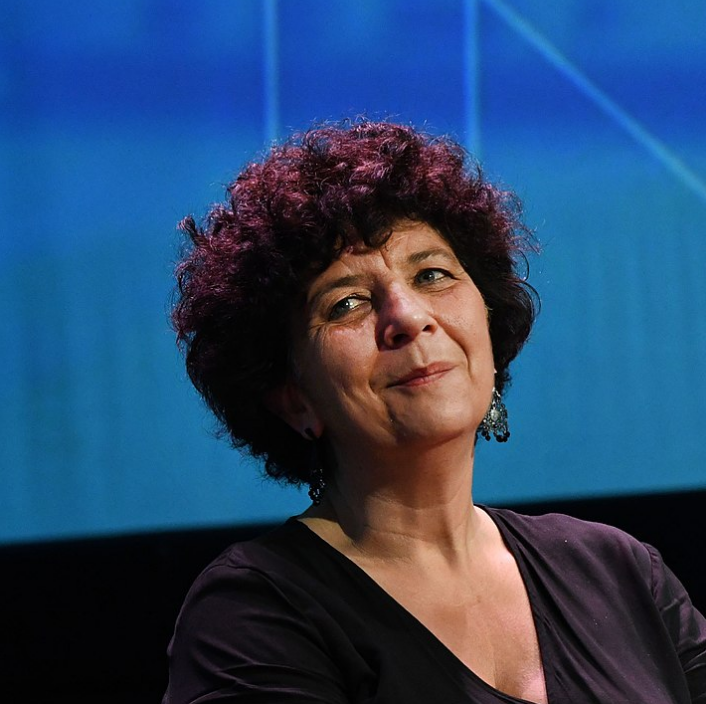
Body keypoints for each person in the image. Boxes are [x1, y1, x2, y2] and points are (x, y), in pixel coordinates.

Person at [163, 120, 706, 703]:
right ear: (293, 397)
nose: (407, 316)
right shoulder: (256, 612)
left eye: (432, 275)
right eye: (347, 304)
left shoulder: (621, 571)